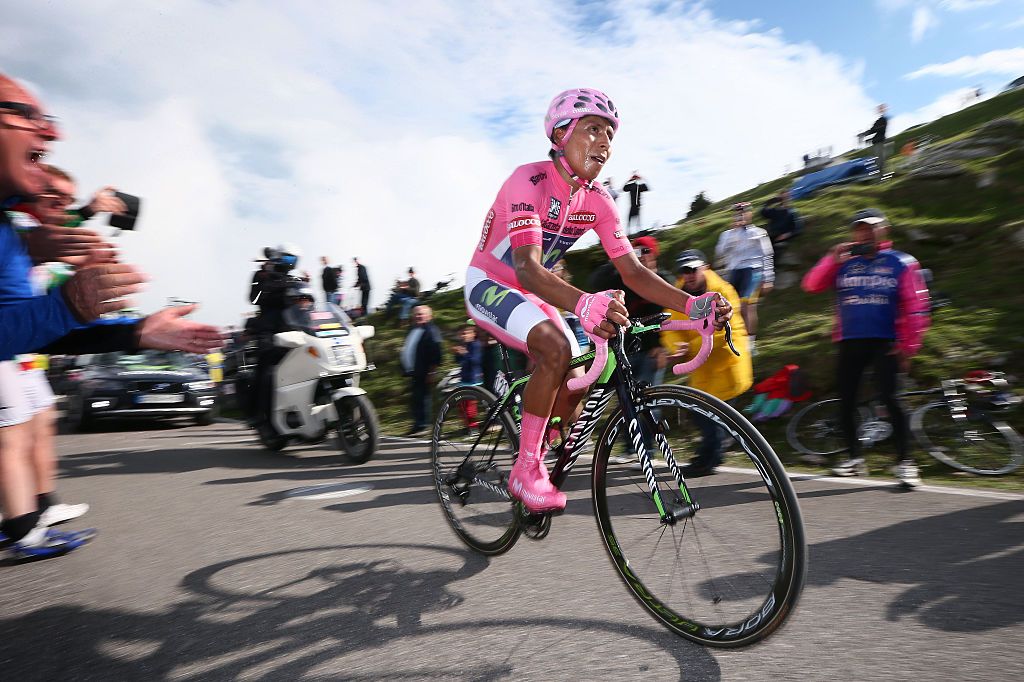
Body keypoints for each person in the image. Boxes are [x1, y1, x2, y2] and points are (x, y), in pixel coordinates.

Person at [464, 87, 730, 513]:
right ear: (561, 134)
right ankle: (525, 467)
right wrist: (584, 302)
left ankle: (547, 431)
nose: (605, 142)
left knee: (582, 356)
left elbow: (634, 273)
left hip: (535, 288)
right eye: (593, 129)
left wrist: (693, 305)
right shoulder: (527, 180)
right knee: (555, 347)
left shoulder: (599, 200)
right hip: (491, 281)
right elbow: (529, 268)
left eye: (610, 133)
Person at [801, 209, 930, 487]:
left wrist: (909, 345)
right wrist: (830, 259)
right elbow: (811, 285)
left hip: (887, 342)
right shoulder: (844, 262)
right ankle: (854, 459)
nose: (865, 233)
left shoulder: (902, 262)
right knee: (846, 402)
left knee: (893, 400)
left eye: (871, 228)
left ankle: (905, 462)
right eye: (859, 229)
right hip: (850, 341)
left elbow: (917, 306)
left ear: (884, 230)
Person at [661, 249, 751, 475]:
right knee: (703, 414)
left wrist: (689, 348)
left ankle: (708, 459)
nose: (689, 275)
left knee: (710, 415)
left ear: (705, 267)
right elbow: (669, 326)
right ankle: (712, 454)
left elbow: (724, 332)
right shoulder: (679, 294)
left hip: (725, 364)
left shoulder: (722, 292)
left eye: (693, 269)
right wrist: (676, 347)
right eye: (684, 270)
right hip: (701, 367)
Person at [714, 202, 773, 354]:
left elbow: (767, 254)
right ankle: (736, 338)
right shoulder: (727, 234)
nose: (741, 215)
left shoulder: (759, 232)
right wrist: (734, 232)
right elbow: (720, 252)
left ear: (749, 213)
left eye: (744, 212)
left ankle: (751, 344)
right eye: (738, 212)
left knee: (747, 305)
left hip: (753, 270)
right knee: (731, 306)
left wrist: (768, 277)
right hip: (734, 270)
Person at [400, 305, 442, 437]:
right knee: (416, 399)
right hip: (414, 371)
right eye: (416, 314)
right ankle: (417, 425)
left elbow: (436, 352)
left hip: (425, 371)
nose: (418, 316)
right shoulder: (413, 328)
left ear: (429, 316)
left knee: (423, 399)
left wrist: (432, 371)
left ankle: (423, 426)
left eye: (421, 314)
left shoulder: (431, 330)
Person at [451, 323, 483, 432]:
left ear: (473, 334)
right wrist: (457, 354)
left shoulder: (476, 345)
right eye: (462, 334)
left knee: (470, 407)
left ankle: (474, 427)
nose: (463, 336)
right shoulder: (465, 345)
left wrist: (464, 353)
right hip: (464, 380)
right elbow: (459, 362)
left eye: (466, 333)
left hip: (473, 380)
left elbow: (475, 361)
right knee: (461, 405)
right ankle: (467, 426)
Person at [759, 191, 803, 264]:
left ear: (789, 198)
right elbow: (762, 212)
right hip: (771, 236)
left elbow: (798, 228)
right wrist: (768, 203)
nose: (784, 199)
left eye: (786, 197)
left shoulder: (792, 212)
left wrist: (787, 234)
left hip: (782, 238)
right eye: (781, 198)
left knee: (776, 249)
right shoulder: (775, 210)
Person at [858, 104, 889, 178]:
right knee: (877, 160)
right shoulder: (878, 120)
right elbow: (872, 130)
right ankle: (879, 176)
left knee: (880, 160)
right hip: (876, 142)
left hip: (880, 141)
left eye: (881, 109)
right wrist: (863, 134)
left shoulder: (883, 119)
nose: (879, 110)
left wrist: (865, 135)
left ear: (884, 110)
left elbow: (878, 129)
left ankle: (881, 177)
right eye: (879, 109)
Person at [622, 171, 648, 235]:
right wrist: (629, 180)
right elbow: (624, 188)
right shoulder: (631, 186)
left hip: (637, 206)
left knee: (637, 221)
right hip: (633, 206)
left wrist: (642, 178)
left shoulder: (640, 186)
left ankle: (639, 233)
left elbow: (647, 188)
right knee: (629, 221)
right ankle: (628, 234)